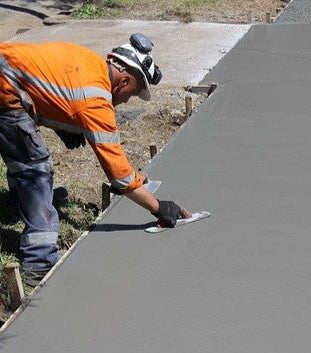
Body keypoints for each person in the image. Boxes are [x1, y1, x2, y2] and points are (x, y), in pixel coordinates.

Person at [0, 33, 191, 287]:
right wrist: (158, 207)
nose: (125, 101)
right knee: (35, 167)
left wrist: (63, 126)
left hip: (6, 77)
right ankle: (39, 262)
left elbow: (48, 84)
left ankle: (27, 200)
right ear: (123, 81)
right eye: (131, 95)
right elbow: (119, 176)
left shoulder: (89, 62)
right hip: (4, 90)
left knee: (25, 156)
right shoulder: (97, 101)